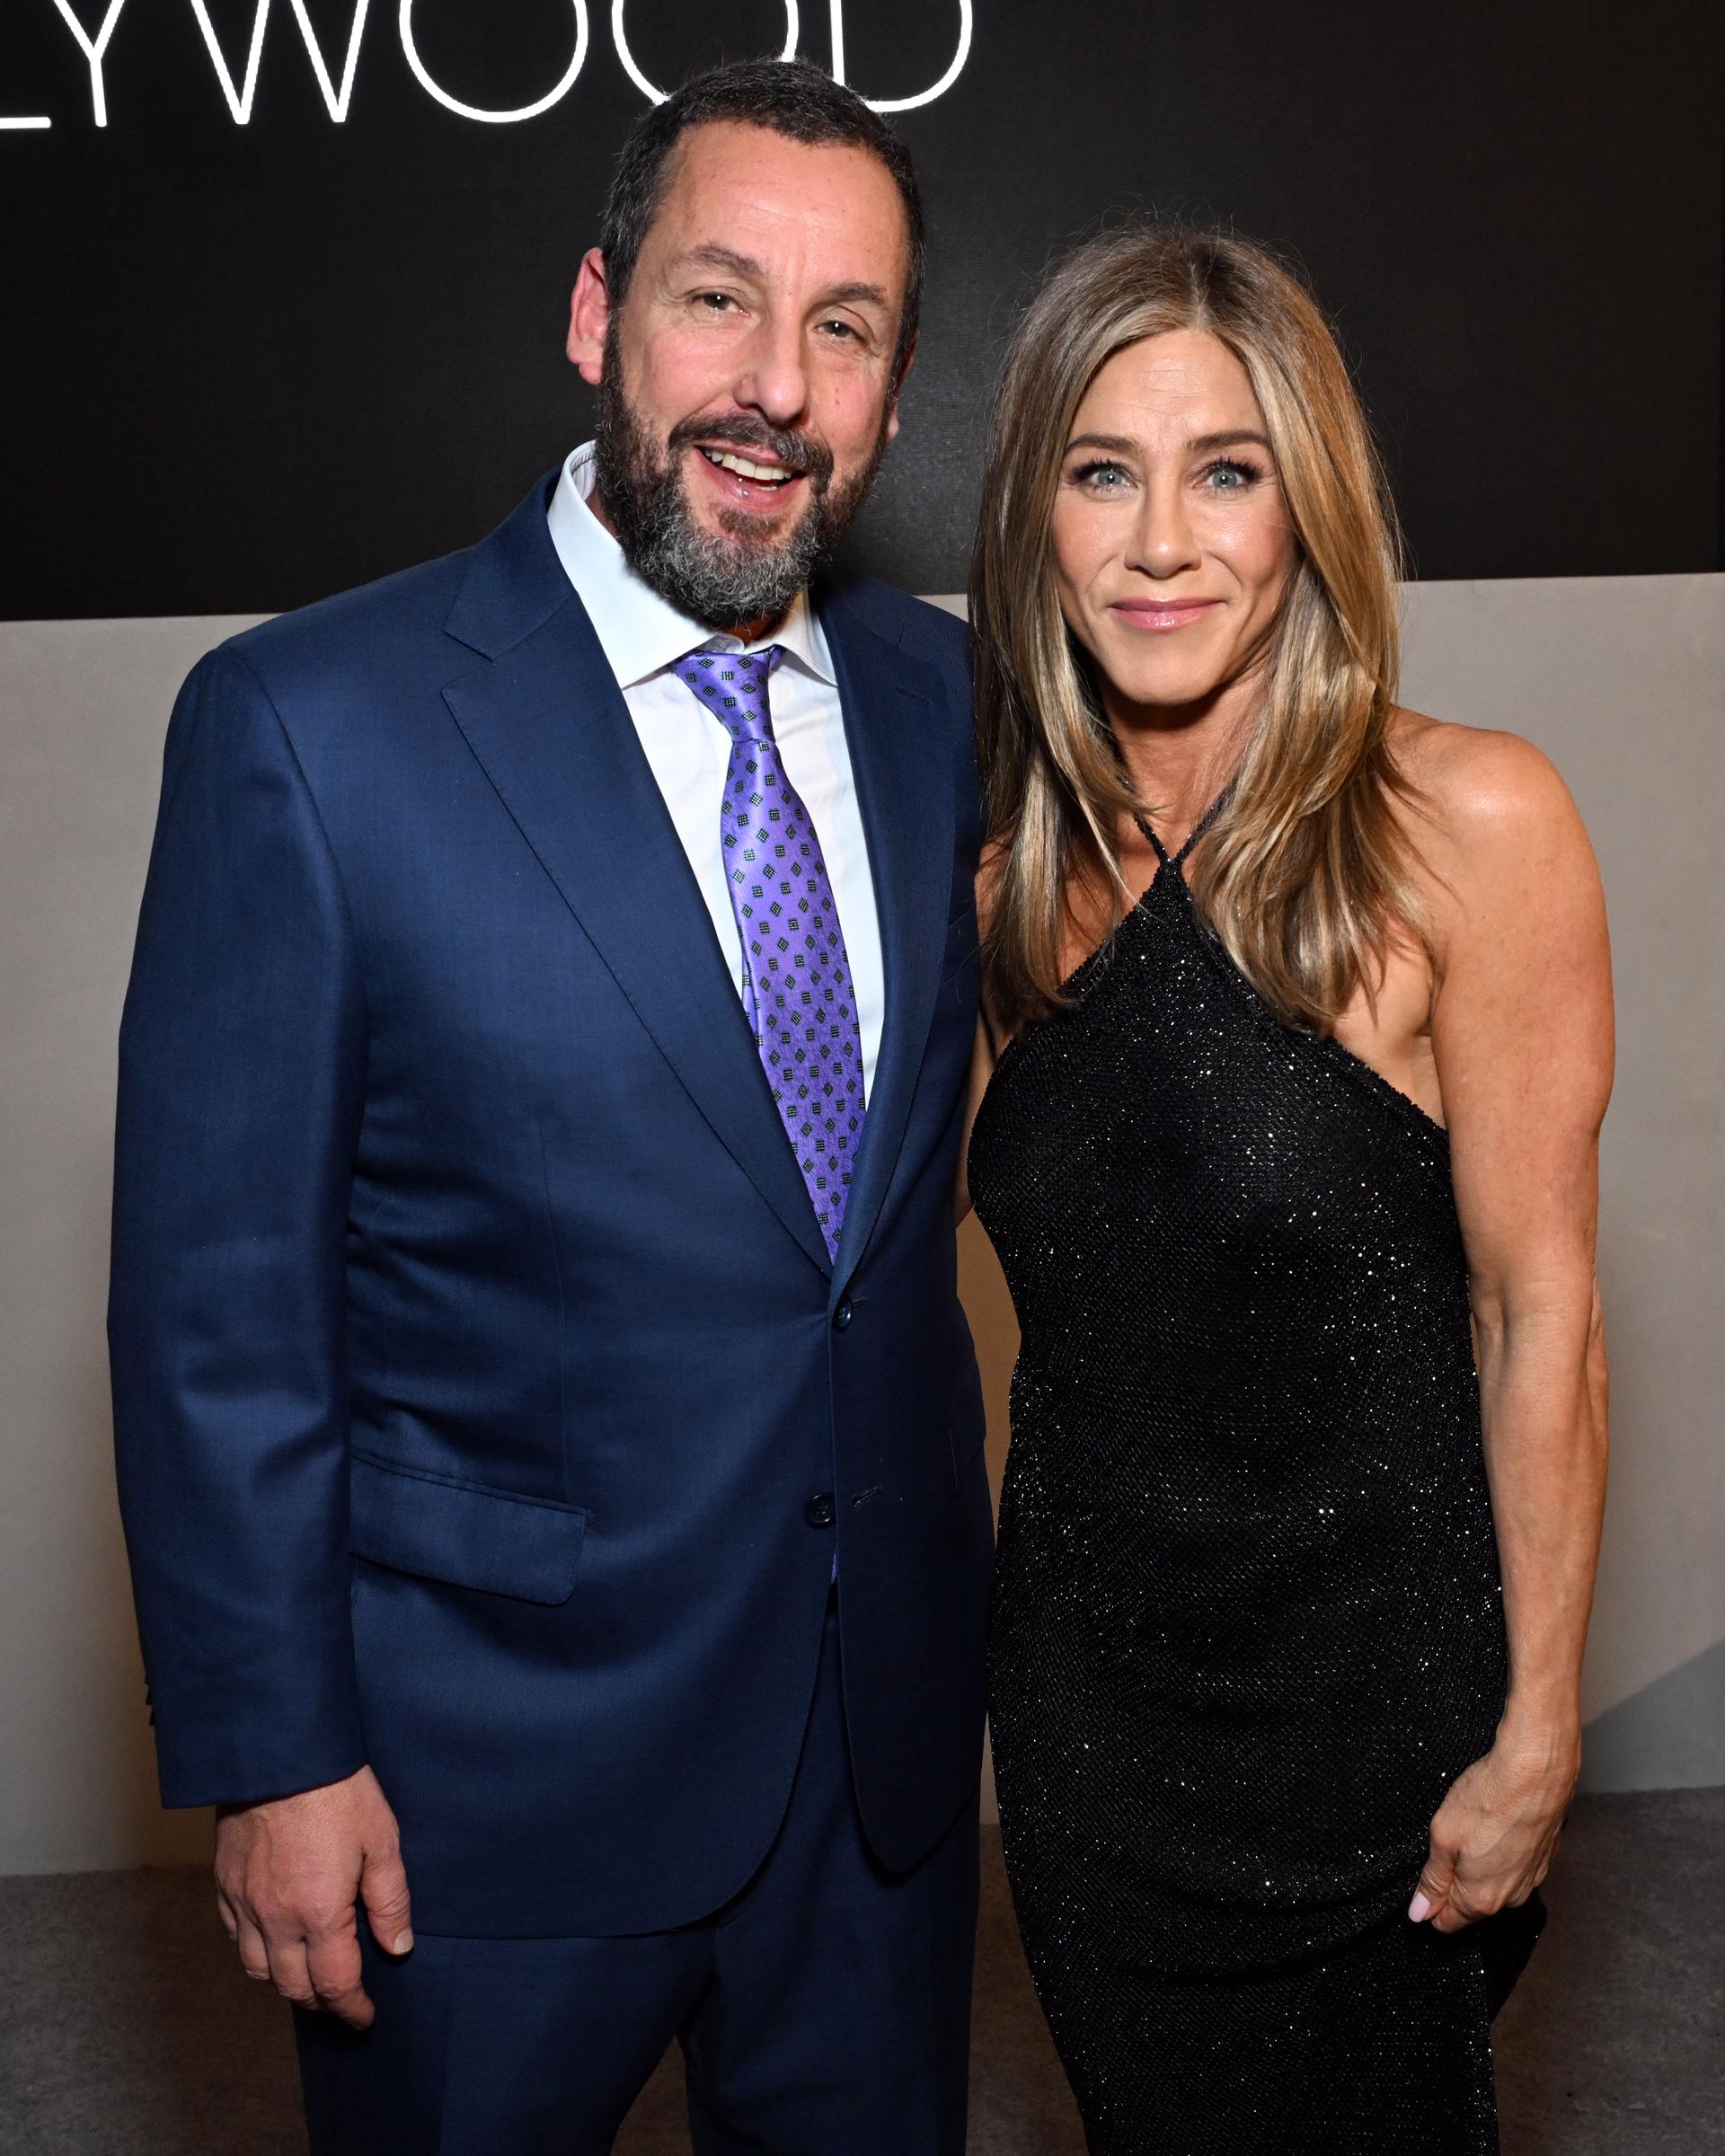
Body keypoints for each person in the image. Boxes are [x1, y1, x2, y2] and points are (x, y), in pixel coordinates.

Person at [109, 58, 991, 2156]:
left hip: (871, 1786)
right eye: (719, 301)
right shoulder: (308, 728)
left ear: (888, 390)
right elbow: (218, 1310)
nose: (775, 385)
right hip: (464, 1801)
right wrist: (275, 1754)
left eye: (845, 329)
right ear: (597, 317)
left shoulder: (946, 698)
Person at [960, 225, 1612, 2153]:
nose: (1162, 541)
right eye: (1104, 472)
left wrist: (1542, 1729)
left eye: (1226, 470)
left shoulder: (1470, 828)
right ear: (1038, 523)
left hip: (1381, 1748)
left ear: (1308, 508)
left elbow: (1543, 1312)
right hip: (1089, 1741)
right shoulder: (994, 874)